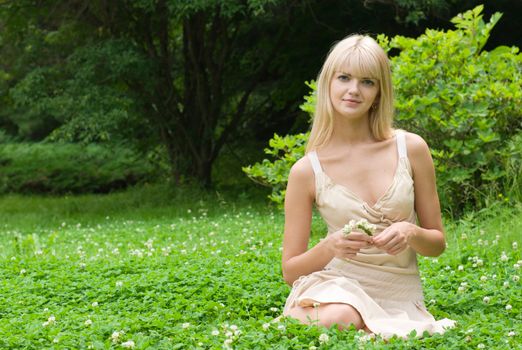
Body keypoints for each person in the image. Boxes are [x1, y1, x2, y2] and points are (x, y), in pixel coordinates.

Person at [281, 34, 455, 339]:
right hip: (337, 286)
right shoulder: (307, 170)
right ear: (329, 84)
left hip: (398, 290)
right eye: (344, 78)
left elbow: (437, 243)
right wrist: (329, 246)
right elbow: (290, 271)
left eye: (367, 82)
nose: (354, 90)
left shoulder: (411, 148)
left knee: (342, 320)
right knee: (339, 315)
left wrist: (410, 233)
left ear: (379, 91)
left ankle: (368, 326)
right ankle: (330, 318)